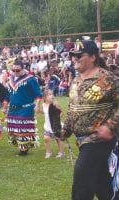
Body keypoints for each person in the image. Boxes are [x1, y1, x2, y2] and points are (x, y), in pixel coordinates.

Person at [61, 40, 119, 199]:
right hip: (82, 141)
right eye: (73, 55)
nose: (74, 59)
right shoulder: (75, 81)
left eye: (79, 55)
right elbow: (73, 110)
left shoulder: (108, 79)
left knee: (82, 180)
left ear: (93, 57)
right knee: (102, 183)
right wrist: (65, 130)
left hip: (99, 139)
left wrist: (110, 127)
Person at [3, 59, 42, 156]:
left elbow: (38, 94)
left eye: (18, 70)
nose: (15, 72)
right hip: (13, 109)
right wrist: (4, 106)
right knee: (14, 129)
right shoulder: (11, 79)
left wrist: (37, 105)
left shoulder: (30, 79)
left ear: (23, 69)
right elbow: (8, 95)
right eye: (13, 70)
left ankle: (24, 150)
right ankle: (21, 147)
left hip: (25, 108)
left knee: (22, 129)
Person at [40, 89, 65, 158]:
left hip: (56, 125)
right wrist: (37, 104)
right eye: (49, 94)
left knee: (58, 139)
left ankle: (61, 152)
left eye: (52, 94)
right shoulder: (44, 105)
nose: (52, 96)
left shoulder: (55, 104)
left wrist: (57, 118)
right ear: (45, 97)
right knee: (46, 138)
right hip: (47, 126)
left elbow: (61, 112)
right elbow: (41, 112)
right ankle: (48, 152)